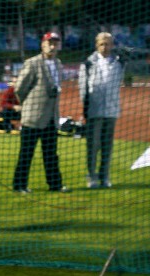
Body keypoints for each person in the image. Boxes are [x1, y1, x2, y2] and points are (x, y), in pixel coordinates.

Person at [12, 32, 69, 194]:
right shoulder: (32, 63)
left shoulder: (58, 63)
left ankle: (55, 184)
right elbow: (19, 88)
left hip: (51, 116)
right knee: (26, 153)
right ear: (42, 44)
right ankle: (19, 185)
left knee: (51, 154)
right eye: (49, 42)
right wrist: (28, 104)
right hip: (33, 116)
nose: (52, 46)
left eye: (55, 43)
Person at [78, 32, 126, 189]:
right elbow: (82, 88)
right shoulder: (88, 64)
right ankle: (91, 176)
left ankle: (104, 176)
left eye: (108, 44)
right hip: (94, 110)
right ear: (96, 45)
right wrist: (86, 108)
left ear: (112, 45)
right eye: (102, 44)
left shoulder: (119, 63)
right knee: (93, 146)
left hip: (111, 110)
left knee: (107, 146)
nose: (105, 47)